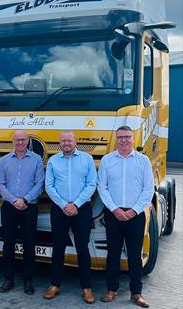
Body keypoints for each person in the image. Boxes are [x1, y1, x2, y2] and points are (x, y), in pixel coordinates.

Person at [97, 126, 154, 308]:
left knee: (134, 255)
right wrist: (114, 209)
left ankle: (136, 293)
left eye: (127, 137)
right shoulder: (107, 160)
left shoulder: (143, 161)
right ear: (116, 139)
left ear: (132, 138)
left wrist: (133, 210)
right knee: (112, 254)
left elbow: (148, 189)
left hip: (134, 215)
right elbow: (102, 188)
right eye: (120, 137)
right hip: (113, 214)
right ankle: (111, 289)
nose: (123, 140)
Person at [43, 131, 97, 304]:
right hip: (60, 209)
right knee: (58, 248)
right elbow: (49, 186)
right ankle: (54, 285)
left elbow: (91, 184)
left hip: (81, 209)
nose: (66, 143)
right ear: (59, 143)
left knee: (82, 248)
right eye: (63, 140)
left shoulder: (87, 159)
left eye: (69, 140)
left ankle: (86, 287)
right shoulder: (53, 161)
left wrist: (76, 204)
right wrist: (64, 205)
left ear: (75, 142)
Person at [0, 130, 44, 294]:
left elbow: (40, 183)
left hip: (29, 207)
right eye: (17, 140)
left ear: (28, 141)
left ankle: (28, 280)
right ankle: (8, 279)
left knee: (29, 244)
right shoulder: (4, 160)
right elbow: (0, 184)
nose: (20, 143)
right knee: (8, 243)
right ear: (13, 141)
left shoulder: (37, 160)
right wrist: (13, 200)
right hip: (9, 207)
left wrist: (25, 200)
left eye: (23, 140)